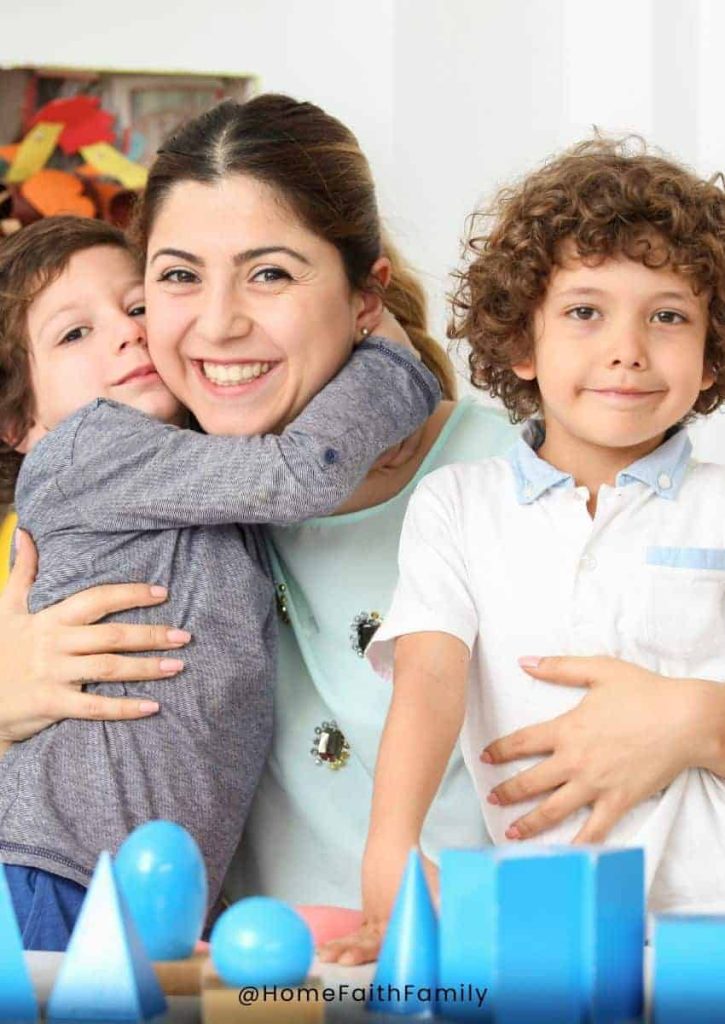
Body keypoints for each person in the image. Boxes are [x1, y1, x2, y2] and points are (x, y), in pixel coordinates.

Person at [1, 99, 725, 931]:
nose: (219, 321)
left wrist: (700, 719)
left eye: (270, 272)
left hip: (487, 964)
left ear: (365, 296)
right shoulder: (140, 504)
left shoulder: (515, 478)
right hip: (247, 980)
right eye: (175, 276)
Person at [322, 138, 725, 964]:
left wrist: (690, 720)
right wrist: (389, 848)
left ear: (711, 351)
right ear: (521, 343)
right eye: (585, 311)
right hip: (539, 921)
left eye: (668, 315)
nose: (628, 348)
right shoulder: (458, 507)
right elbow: (428, 683)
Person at [0, 212, 439, 950]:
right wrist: (392, 363)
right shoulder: (89, 447)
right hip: (57, 869)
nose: (126, 332)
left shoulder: (196, 473)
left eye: (138, 307)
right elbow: (299, 476)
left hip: (153, 888)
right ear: (21, 424)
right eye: (75, 334)